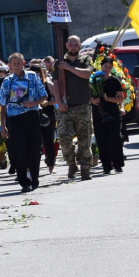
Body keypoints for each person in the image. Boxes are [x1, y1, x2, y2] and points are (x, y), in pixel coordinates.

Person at [0, 53, 48, 193]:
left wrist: (33, 103)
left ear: (24, 62)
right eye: (14, 63)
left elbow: (44, 95)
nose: (17, 65)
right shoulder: (7, 81)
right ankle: (24, 181)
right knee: (19, 150)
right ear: (10, 65)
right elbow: (2, 103)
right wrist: (2, 125)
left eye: (19, 62)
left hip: (31, 115)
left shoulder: (32, 76)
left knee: (34, 149)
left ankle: (35, 177)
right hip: (14, 118)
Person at [54, 35, 94, 180]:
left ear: (80, 46)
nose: (73, 46)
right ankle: (71, 163)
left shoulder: (85, 60)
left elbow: (87, 74)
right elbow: (55, 84)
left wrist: (69, 68)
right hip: (65, 108)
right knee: (64, 138)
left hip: (82, 106)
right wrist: (59, 102)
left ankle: (85, 167)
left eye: (75, 44)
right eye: (70, 44)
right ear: (66, 45)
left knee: (85, 139)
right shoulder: (59, 62)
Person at [90, 56, 125, 174]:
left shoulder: (114, 80)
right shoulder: (94, 80)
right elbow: (87, 94)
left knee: (115, 139)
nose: (107, 69)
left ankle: (118, 164)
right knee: (102, 140)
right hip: (98, 113)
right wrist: (92, 100)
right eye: (105, 66)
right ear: (101, 66)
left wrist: (108, 98)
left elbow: (120, 98)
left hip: (113, 113)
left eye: (110, 67)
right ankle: (106, 166)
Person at [32, 61, 57, 174]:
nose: (36, 75)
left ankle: (51, 164)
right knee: (35, 143)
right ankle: (33, 167)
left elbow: (57, 99)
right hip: (33, 116)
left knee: (48, 141)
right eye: (33, 72)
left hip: (48, 114)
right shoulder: (26, 85)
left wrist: (48, 103)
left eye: (38, 72)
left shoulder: (48, 84)